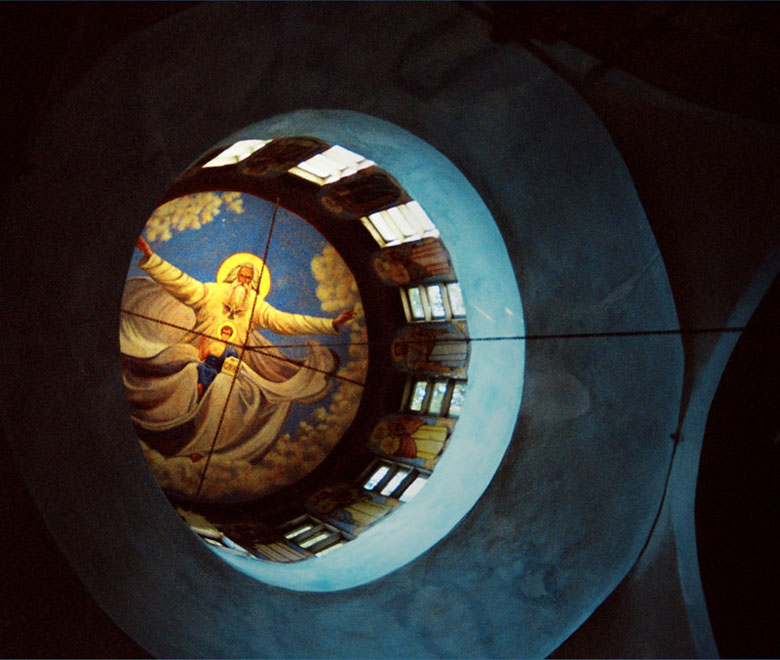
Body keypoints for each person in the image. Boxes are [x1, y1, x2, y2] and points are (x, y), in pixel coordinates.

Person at [120, 237, 356, 468]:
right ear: (233, 275)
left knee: (229, 396)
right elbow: (180, 282)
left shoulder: (257, 306)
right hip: (194, 354)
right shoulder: (211, 292)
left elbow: (287, 321)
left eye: (249, 279)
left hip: (230, 367)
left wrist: (330, 324)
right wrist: (151, 257)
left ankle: (202, 445)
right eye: (241, 276)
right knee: (182, 375)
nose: (244, 282)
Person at [196, 322, 239, 400]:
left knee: (211, 372)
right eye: (224, 333)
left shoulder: (230, 350)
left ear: (230, 336)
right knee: (201, 366)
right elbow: (202, 358)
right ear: (221, 333)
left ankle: (202, 395)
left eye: (227, 334)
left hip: (215, 371)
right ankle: (200, 390)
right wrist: (202, 344)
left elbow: (232, 365)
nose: (225, 335)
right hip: (205, 366)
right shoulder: (213, 344)